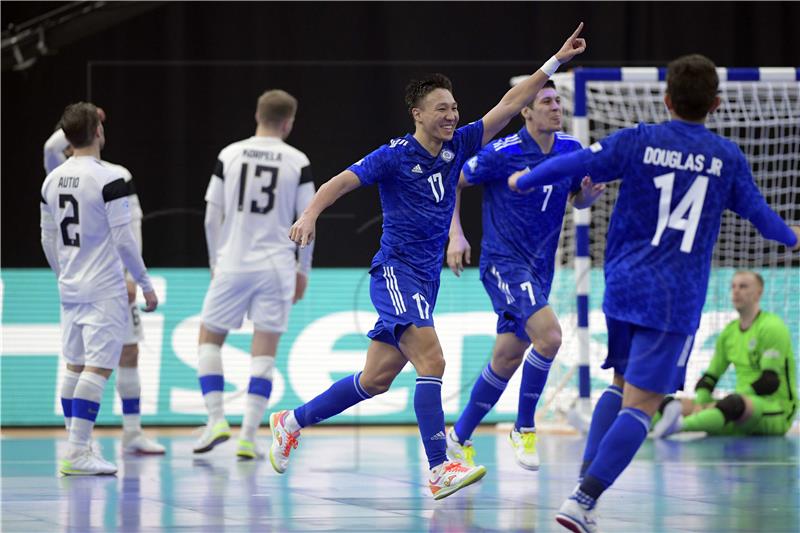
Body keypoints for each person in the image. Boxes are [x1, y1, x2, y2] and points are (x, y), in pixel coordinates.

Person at [270, 24, 588, 500]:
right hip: (396, 273)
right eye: (442, 109)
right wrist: (311, 214)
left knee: (375, 380)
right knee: (433, 359)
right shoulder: (394, 156)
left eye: (454, 108)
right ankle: (440, 466)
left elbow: (507, 106)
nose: (451, 115)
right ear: (417, 114)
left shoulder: (460, 144)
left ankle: (290, 420)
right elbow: (339, 181)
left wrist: (555, 61)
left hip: (425, 279)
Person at [507, 54, 800, 532]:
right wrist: (792, 237)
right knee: (643, 405)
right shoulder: (726, 157)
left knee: (621, 385)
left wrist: (524, 178)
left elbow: (578, 161)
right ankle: (583, 499)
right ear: (718, 105)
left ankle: (585, 483)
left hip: (622, 284)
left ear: (667, 100)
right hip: (674, 296)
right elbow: (761, 217)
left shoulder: (639, 139)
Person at [445, 79, 605, 470]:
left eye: (557, 100)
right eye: (546, 101)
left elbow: (576, 199)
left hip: (540, 267)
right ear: (526, 112)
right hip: (503, 263)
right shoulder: (504, 152)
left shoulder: (571, 149)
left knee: (508, 356)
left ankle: (458, 436)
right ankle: (524, 427)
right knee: (550, 337)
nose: (555, 107)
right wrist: (456, 234)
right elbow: (453, 181)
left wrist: (588, 196)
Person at [193, 90, 315, 460]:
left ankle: (216, 419)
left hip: (233, 262)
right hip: (277, 266)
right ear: (288, 122)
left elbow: (211, 215)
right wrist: (302, 269)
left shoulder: (229, 154)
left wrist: (216, 261)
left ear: (257, 115)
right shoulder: (297, 160)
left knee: (208, 340)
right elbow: (308, 219)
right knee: (264, 351)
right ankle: (248, 435)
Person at [41, 102, 159, 475]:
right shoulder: (111, 178)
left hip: (70, 285)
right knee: (97, 368)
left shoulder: (52, 178)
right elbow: (125, 240)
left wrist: (64, 272)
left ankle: (79, 445)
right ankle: (78, 451)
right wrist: (144, 283)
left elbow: (46, 238)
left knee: (75, 365)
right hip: (105, 286)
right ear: (99, 133)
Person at [651, 270, 797, 438]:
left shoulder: (772, 327)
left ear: (759, 293)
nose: (736, 291)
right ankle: (645, 427)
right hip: (739, 410)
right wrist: (701, 403)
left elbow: (769, 382)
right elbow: (710, 377)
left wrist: (717, 404)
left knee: (733, 403)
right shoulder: (729, 333)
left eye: (743, 286)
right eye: (733, 286)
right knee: (666, 403)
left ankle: (680, 426)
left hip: (774, 410)